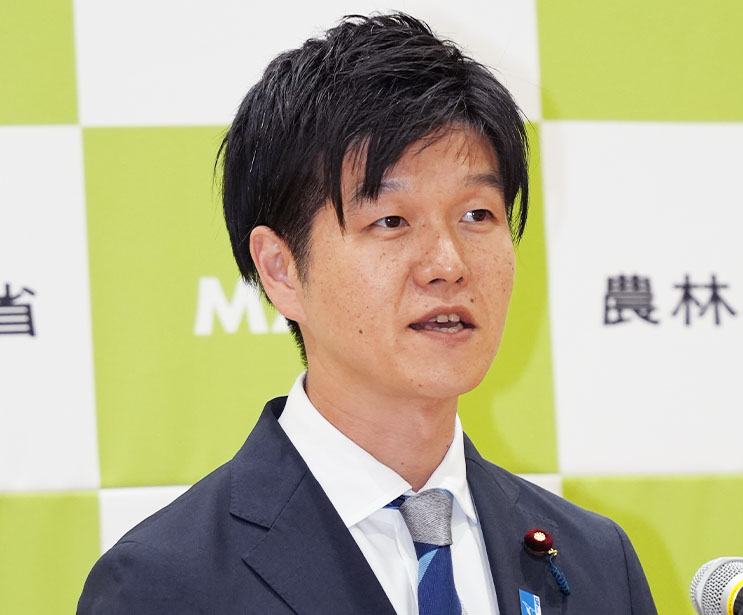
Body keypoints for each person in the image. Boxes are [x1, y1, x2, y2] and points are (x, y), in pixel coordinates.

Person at [78, 13, 656, 615]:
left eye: (477, 215)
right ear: (280, 269)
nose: (448, 264)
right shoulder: (166, 584)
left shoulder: (594, 562)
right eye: (391, 220)